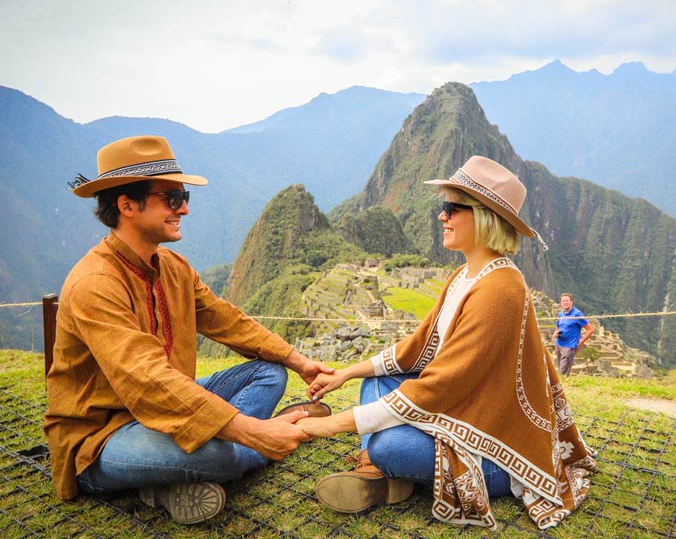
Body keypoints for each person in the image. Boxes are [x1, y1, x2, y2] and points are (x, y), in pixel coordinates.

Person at [296, 156, 597, 530]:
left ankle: (377, 465)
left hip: (497, 448)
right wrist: (345, 374)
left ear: (485, 216)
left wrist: (324, 426)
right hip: (468, 409)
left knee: (387, 445)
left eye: (452, 208)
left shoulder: (501, 290)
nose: (442, 216)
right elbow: (417, 347)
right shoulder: (467, 275)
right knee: (374, 383)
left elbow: (438, 387)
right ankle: (379, 474)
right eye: (444, 207)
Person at [44, 135, 333, 524]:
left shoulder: (173, 267)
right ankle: (262, 438)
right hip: (105, 436)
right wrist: (249, 431)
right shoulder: (95, 284)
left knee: (268, 372)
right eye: (171, 199)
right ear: (126, 205)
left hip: (169, 406)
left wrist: (299, 361)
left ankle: (185, 473)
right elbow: (147, 378)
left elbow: (226, 319)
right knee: (221, 454)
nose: (184, 209)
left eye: (184, 198)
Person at [552, 293, 595, 377]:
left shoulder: (577, 314)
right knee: (560, 369)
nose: (565, 303)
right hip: (559, 345)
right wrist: (555, 334)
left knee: (561, 373)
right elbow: (558, 327)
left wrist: (580, 343)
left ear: (572, 302)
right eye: (563, 301)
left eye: (567, 301)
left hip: (569, 347)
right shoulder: (561, 314)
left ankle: (560, 387)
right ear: (561, 303)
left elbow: (590, 330)